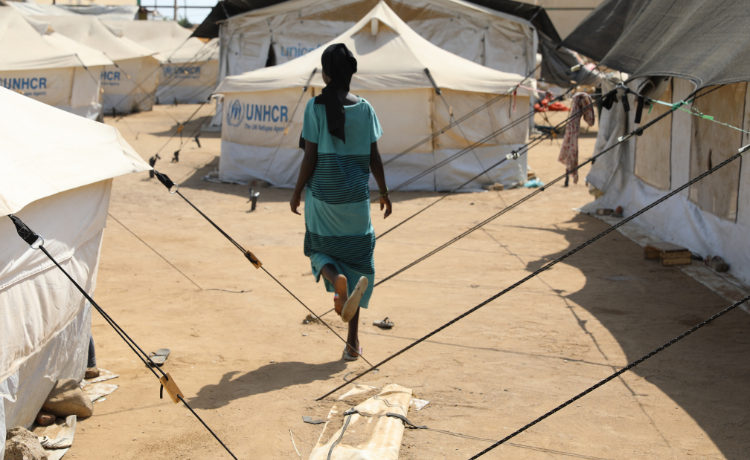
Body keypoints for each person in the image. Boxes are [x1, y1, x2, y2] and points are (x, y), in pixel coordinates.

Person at [290, 43, 392, 361]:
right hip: (356, 203)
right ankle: (352, 343)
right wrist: (385, 192)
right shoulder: (366, 109)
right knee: (360, 268)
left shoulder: (314, 107)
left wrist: (296, 192)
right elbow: (375, 158)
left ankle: (336, 281)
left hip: (323, 197)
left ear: (326, 73)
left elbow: (309, 157)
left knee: (318, 250)